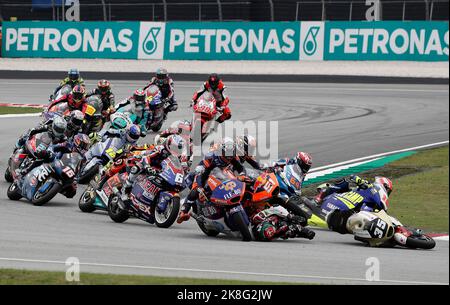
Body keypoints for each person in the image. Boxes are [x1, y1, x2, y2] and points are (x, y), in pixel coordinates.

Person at [177, 138, 246, 224]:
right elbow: (201, 174)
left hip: (224, 173)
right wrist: (200, 187)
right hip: (206, 174)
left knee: (241, 183)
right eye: (226, 154)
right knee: (196, 190)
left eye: (231, 154)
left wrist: (242, 175)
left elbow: (241, 168)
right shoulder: (211, 157)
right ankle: (183, 212)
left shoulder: (233, 156)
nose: (229, 158)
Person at [120, 135, 186, 220]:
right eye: (174, 148)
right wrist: (147, 166)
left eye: (178, 149)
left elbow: (179, 167)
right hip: (145, 162)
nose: (176, 150)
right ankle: (125, 189)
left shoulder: (177, 157)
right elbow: (147, 158)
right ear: (168, 145)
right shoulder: (161, 149)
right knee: (136, 168)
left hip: (159, 169)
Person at [322, 175, 394, 235]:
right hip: (338, 200)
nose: (387, 193)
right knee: (343, 183)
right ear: (383, 185)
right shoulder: (369, 187)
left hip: (345, 208)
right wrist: (360, 181)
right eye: (388, 190)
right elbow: (353, 177)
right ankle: (318, 198)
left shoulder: (371, 199)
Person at [251, 206, 315, 241]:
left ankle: (290, 215)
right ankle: (307, 233)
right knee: (292, 230)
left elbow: (275, 208)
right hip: (284, 227)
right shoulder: (278, 231)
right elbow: (287, 229)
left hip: (279, 213)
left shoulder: (258, 219)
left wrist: (288, 216)